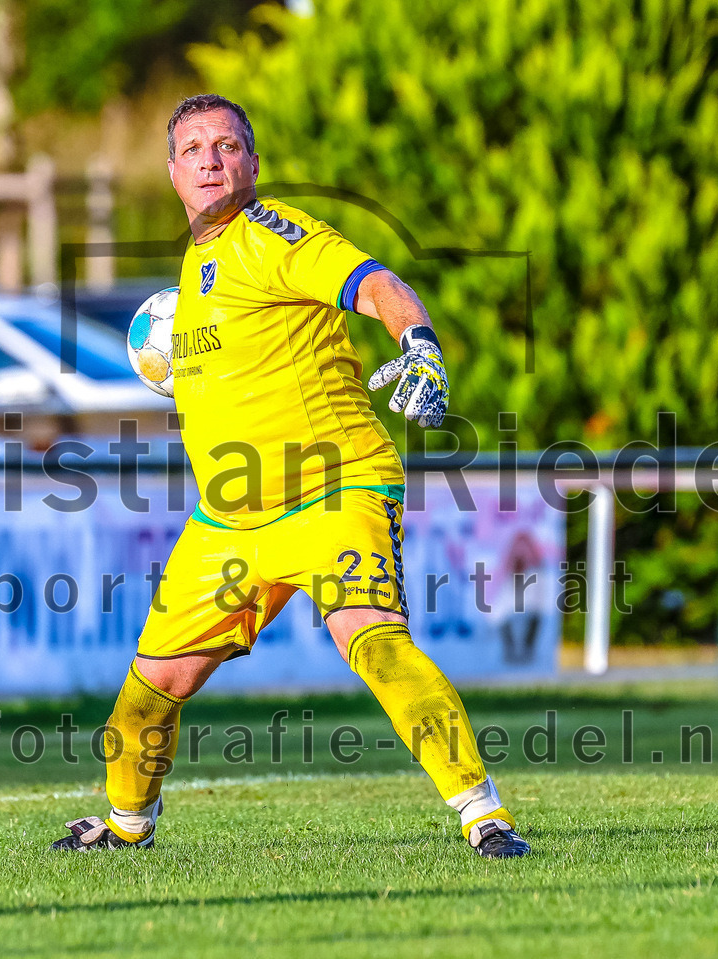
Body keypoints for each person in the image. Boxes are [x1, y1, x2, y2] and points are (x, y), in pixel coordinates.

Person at [51, 94, 530, 859]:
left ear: (253, 163)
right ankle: (125, 825)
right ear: (172, 172)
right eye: (194, 148)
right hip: (231, 517)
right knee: (152, 686)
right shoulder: (197, 261)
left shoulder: (276, 234)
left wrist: (420, 343)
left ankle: (484, 815)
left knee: (372, 641)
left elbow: (375, 283)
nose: (211, 159)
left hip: (333, 488)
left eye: (227, 145)